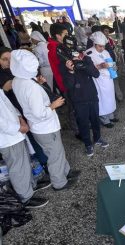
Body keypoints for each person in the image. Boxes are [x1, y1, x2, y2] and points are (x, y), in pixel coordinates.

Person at [11, 49, 78, 191]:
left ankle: (66, 171)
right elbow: (39, 113)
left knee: (57, 152)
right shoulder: (31, 87)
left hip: (37, 126)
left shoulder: (18, 80)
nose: (35, 70)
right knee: (54, 155)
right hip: (45, 126)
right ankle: (59, 182)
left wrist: (38, 82)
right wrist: (53, 105)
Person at [58, 35, 109, 157]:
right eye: (70, 50)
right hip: (78, 98)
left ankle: (97, 138)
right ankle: (87, 144)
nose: (75, 54)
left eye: (75, 49)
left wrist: (85, 64)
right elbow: (68, 85)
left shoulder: (86, 58)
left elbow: (96, 74)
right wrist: (70, 71)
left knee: (95, 119)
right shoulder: (64, 63)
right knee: (83, 122)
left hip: (91, 95)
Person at [0, 84, 49, 209]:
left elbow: (9, 105)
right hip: (8, 138)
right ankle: (25, 197)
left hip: (17, 131)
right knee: (17, 167)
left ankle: (31, 185)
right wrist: (19, 127)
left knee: (25, 161)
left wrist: (20, 118)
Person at [86, 32, 118, 128]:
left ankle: (111, 115)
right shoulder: (88, 53)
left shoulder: (106, 52)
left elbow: (111, 62)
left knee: (110, 97)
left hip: (109, 79)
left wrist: (114, 67)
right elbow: (88, 69)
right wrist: (100, 66)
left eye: (103, 46)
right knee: (102, 99)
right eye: (100, 46)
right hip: (98, 80)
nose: (102, 48)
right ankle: (104, 119)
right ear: (94, 44)